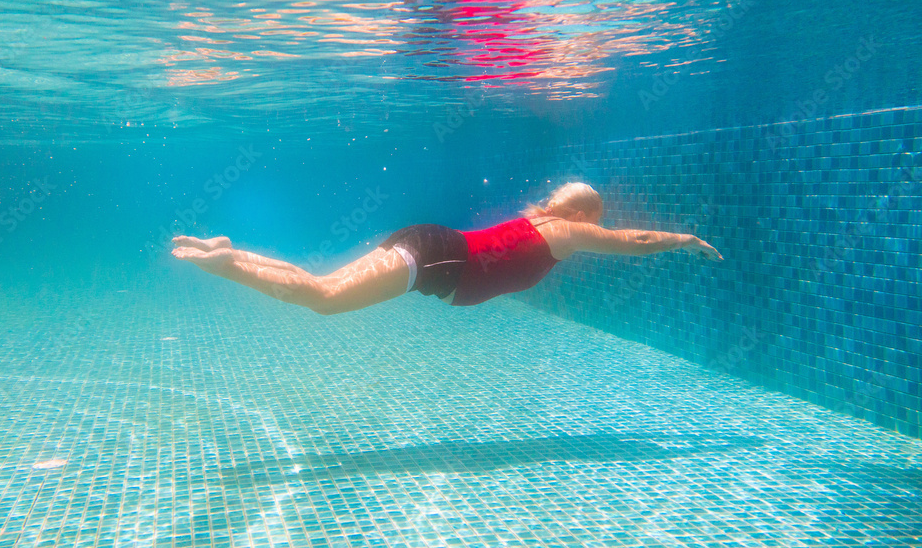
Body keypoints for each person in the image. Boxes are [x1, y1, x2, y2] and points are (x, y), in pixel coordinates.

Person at [172, 182, 722, 315]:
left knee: (325, 288)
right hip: (440, 257)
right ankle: (226, 264)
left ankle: (230, 252)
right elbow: (637, 239)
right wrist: (686, 239)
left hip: (432, 245)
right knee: (325, 297)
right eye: (597, 220)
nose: (599, 231)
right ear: (580, 216)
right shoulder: (565, 229)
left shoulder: (543, 223)